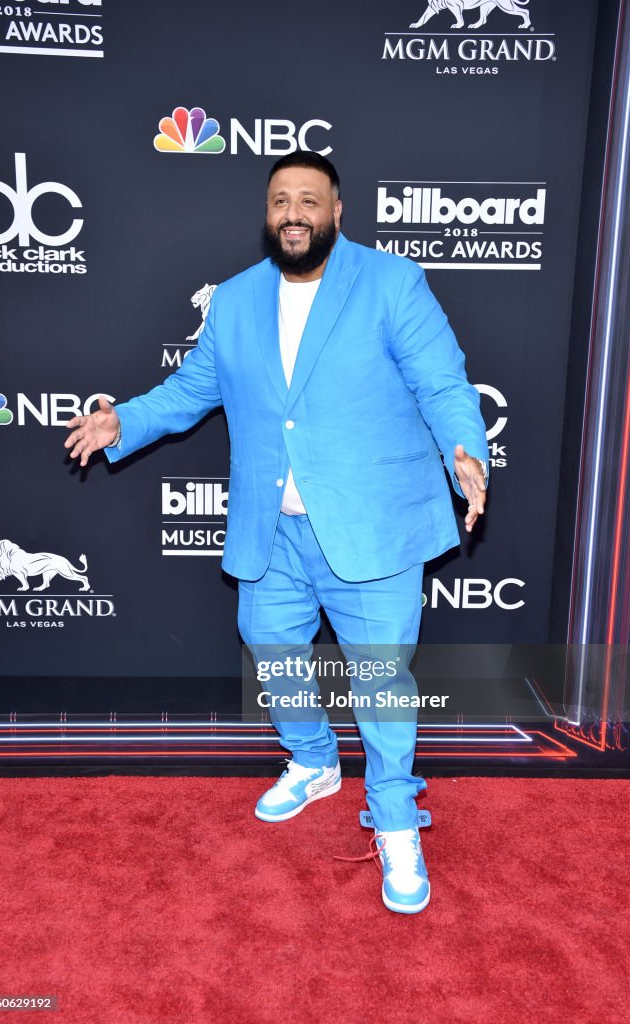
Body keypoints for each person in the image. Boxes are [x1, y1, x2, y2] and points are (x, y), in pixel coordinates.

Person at [64, 152, 488, 915]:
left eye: (308, 200)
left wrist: (465, 450)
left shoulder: (391, 282)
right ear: (267, 215)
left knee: (380, 682)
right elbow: (193, 388)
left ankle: (393, 816)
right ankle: (314, 760)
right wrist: (122, 419)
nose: (293, 213)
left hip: (370, 529)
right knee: (273, 653)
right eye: (280, 201)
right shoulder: (234, 300)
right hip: (274, 533)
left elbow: (442, 383)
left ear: (337, 211)